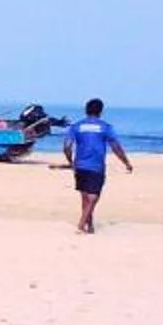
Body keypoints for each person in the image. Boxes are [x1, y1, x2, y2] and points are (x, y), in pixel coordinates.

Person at [62, 98, 132, 235]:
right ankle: (81, 225)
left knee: (86, 198)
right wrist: (126, 162)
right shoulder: (105, 127)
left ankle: (90, 226)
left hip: (80, 165)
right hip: (95, 166)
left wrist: (70, 160)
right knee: (92, 197)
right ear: (101, 111)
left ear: (86, 110)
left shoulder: (76, 127)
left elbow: (66, 146)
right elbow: (116, 147)